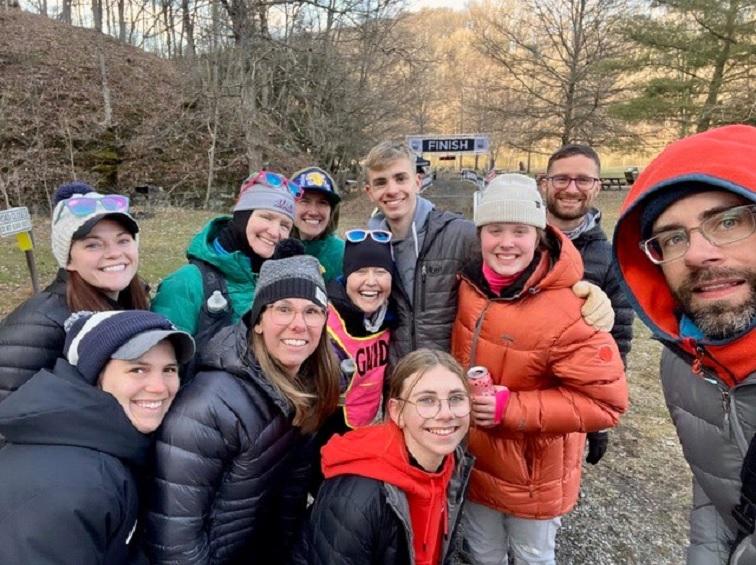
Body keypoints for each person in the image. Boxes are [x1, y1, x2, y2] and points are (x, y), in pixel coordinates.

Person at [451, 173, 628, 565]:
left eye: (519, 230)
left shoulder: (571, 308)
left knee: (532, 556)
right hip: (476, 461)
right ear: (480, 234)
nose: (507, 243)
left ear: (539, 235)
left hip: (534, 474)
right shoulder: (467, 285)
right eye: (495, 229)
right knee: (481, 551)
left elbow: (607, 404)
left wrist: (510, 408)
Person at [145, 240, 340, 564]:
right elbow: (175, 541)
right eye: (283, 309)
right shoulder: (209, 408)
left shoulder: (307, 386)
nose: (299, 324)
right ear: (259, 320)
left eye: (312, 311)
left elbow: (291, 494)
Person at [612, 124, 756, 564]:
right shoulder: (683, 364)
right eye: (674, 237)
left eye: (728, 221)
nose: (697, 254)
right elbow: (719, 484)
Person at [363, 140, 616, 363]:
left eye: (400, 178)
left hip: (452, 379)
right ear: (369, 192)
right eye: (381, 182)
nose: (392, 190)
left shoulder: (457, 233)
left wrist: (582, 291)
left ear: (418, 182)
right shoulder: (366, 245)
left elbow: (523, 267)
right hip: (397, 379)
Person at [0, 310, 194, 564]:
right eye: (137, 369)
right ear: (96, 374)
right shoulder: (73, 484)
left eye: (169, 369)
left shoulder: (105, 446)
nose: (159, 387)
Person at [294, 349, 474, 565]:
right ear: (397, 412)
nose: (446, 414)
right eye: (426, 400)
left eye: (456, 398)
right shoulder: (357, 498)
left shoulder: (452, 462)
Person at [0, 182, 146, 403]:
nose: (115, 253)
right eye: (93, 245)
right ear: (68, 260)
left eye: (123, 240)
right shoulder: (38, 325)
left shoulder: (133, 302)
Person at [540, 143, 635, 465]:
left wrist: (599, 414)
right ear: (545, 183)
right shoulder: (512, 244)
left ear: (596, 187)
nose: (571, 189)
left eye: (582, 180)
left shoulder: (610, 260)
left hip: (566, 400)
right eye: (561, 179)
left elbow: (616, 339)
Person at [151, 170, 298, 340]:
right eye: (266, 217)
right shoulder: (186, 284)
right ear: (242, 215)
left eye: (285, 225)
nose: (274, 232)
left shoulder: (285, 282)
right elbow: (163, 359)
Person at [326, 228, 396, 430]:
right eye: (361, 272)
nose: (371, 281)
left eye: (381, 272)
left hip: (372, 424)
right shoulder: (325, 318)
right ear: (347, 276)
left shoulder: (392, 317)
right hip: (328, 429)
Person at [290, 166, 345, 282]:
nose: (313, 212)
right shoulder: (271, 246)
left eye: (322, 202)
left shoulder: (343, 253)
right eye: (304, 201)